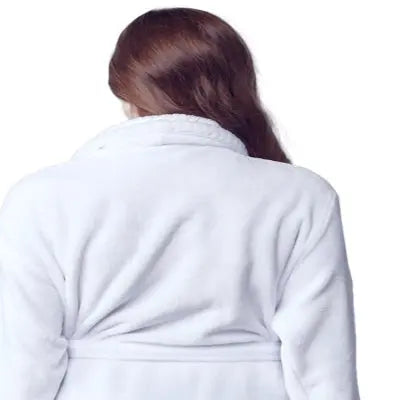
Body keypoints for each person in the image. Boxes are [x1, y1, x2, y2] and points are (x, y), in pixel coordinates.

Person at [0, 7, 360, 400]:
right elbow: (323, 367)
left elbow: (24, 364)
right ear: (239, 86)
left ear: (124, 92)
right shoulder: (303, 196)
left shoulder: (42, 197)